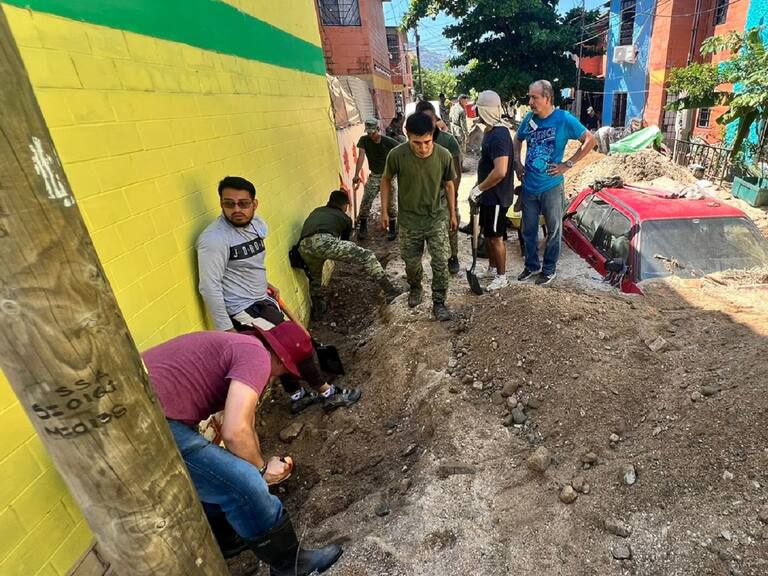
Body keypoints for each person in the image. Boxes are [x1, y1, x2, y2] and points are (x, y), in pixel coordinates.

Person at [142, 323, 344, 575]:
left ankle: (229, 540)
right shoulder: (256, 356)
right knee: (244, 485)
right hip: (146, 422)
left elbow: (244, 424)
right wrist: (260, 472)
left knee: (216, 474)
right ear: (279, 357)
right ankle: (291, 564)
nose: (276, 376)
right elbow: (235, 432)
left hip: (148, 412)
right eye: (283, 370)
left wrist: (259, 462)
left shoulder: (236, 345)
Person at [196, 176, 361, 412]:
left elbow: (248, 265)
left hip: (262, 298)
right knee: (296, 344)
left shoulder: (256, 226)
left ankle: (297, 395)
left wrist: (266, 284)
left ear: (255, 204)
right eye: (229, 204)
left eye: (243, 203)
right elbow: (209, 286)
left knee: (277, 351)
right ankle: (329, 393)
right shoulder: (214, 240)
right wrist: (227, 329)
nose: (236, 210)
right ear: (221, 204)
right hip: (243, 309)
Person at [514, 80, 596, 285]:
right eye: (529, 97)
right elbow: (517, 139)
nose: (530, 101)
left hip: (551, 186)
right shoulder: (529, 119)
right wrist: (517, 162)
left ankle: (549, 269)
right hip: (529, 186)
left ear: (548, 98)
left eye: (535, 97)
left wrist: (567, 164)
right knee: (528, 230)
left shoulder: (563, 119)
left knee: (554, 230)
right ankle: (531, 266)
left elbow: (590, 140)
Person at [380, 112, 457, 321]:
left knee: (440, 262)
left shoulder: (443, 155)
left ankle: (439, 303)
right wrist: (385, 210)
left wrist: (452, 213)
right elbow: (386, 180)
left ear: (433, 135)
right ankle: (415, 288)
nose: (422, 148)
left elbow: (449, 184)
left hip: (435, 218)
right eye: (417, 143)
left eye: (427, 142)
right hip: (409, 222)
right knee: (412, 263)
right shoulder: (397, 155)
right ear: (407, 136)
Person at [298, 190, 403, 313]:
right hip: (324, 242)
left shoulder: (316, 211)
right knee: (367, 256)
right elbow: (345, 242)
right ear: (344, 205)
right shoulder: (344, 218)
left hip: (304, 247)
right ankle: (390, 291)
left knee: (315, 277)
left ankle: (318, 310)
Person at [468, 90, 515, 291]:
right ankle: (492, 267)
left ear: (484, 110)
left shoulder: (499, 135)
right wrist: (478, 188)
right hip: (488, 195)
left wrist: (479, 189)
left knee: (496, 237)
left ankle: (502, 277)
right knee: (488, 234)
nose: (475, 111)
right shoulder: (489, 132)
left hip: (496, 196)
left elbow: (500, 171)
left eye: (478, 107)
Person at [414, 100, 463, 275]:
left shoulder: (448, 141)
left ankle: (453, 256)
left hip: (446, 192)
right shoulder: (415, 142)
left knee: (451, 224)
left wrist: (454, 195)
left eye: (432, 119)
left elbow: (457, 171)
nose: (430, 123)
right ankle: (437, 260)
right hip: (425, 196)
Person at [353, 118, 400, 241]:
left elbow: (400, 154)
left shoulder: (389, 142)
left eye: (373, 133)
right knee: (366, 200)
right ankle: (363, 227)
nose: (370, 135)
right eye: (368, 133)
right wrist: (356, 174)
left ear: (378, 130)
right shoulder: (364, 141)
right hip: (375, 175)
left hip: (389, 176)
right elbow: (361, 157)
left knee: (391, 204)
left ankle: (392, 227)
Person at [449, 95, 470, 160]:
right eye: (465, 100)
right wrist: (466, 135)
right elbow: (463, 125)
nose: (467, 101)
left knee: (455, 148)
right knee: (461, 150)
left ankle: (457, 165)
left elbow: (450, 118)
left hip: (453, 129)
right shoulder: (462, 110)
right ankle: (461, 166)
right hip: (459, 131)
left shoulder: (453, 107)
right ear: (461, 100)